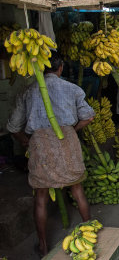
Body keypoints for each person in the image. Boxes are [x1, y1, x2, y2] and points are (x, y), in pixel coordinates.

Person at [6, 52, 95, 257]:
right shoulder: (71, 88)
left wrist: (25, 141)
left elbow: (12, 126)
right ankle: (91, 231)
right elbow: (89, 116)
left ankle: (44, 246)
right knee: (77, 190)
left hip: (40, 146)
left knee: (41, 198)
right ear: (60, 67)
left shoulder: (27, 91)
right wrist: (72, 129)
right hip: (68, 143)